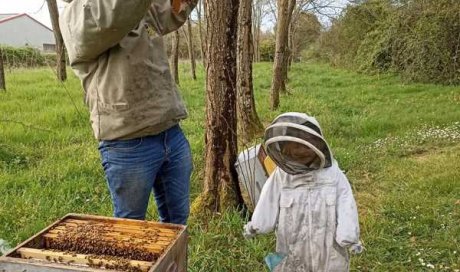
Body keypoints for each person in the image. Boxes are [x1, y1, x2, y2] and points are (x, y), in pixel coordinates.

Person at [59, 0, 197, 225]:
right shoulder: (77, 15)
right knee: (130, 229)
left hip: (170, 132)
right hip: (127, 143)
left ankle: (174, 261)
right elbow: (115, 14)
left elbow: (170, 12)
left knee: (177, 221)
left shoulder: (137, 8)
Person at [243, 112, 362, 272]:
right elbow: (268, 200)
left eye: (303, 146)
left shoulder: (333, 175)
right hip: (292, 248)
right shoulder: (282, 176)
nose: (299, 151)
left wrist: (349, 236)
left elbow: (346, 202)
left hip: (328, 252)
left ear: (316, 146)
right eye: (294, 147)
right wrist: (257, 225)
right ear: (285, 148)